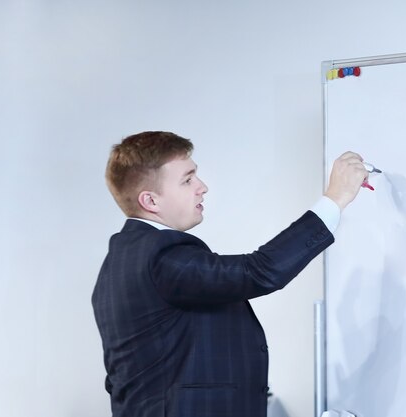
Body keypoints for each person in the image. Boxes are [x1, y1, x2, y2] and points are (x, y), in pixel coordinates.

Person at [92, 131, 368, 417]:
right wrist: (334, 200)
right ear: (150, 201)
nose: (202, 187)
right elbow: (259, 271)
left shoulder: (119, 261)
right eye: (187, 180)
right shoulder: (159, 255)